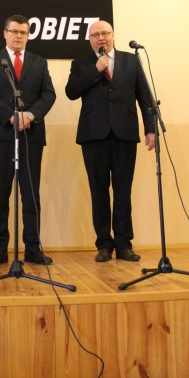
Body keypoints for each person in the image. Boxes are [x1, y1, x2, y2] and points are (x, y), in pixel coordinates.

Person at [65, 20, 155, 263]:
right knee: (99, 192)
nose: (101, 38)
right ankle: (104, 244)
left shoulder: (131, 60)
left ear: (113, 35)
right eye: (95, 35)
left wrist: (150, 129)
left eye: (105, 33)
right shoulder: (81, 63)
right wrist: (95, 70)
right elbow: (71, 92)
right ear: (90, 40)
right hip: (93, 136)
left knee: (123, 192)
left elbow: (144, 96)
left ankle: (124, 245)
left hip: (124, 133)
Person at [0, 14, 56, 266]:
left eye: (23, 32)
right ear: (5, 33)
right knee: (0, 193)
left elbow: (49, 94)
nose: (18, 36)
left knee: (31, 194)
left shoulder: (39, 62)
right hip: (1, 135)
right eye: (14, 31)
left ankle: (32, 248)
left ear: (28, 36)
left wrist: (30, 115)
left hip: (31, 135)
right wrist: (10, 116)